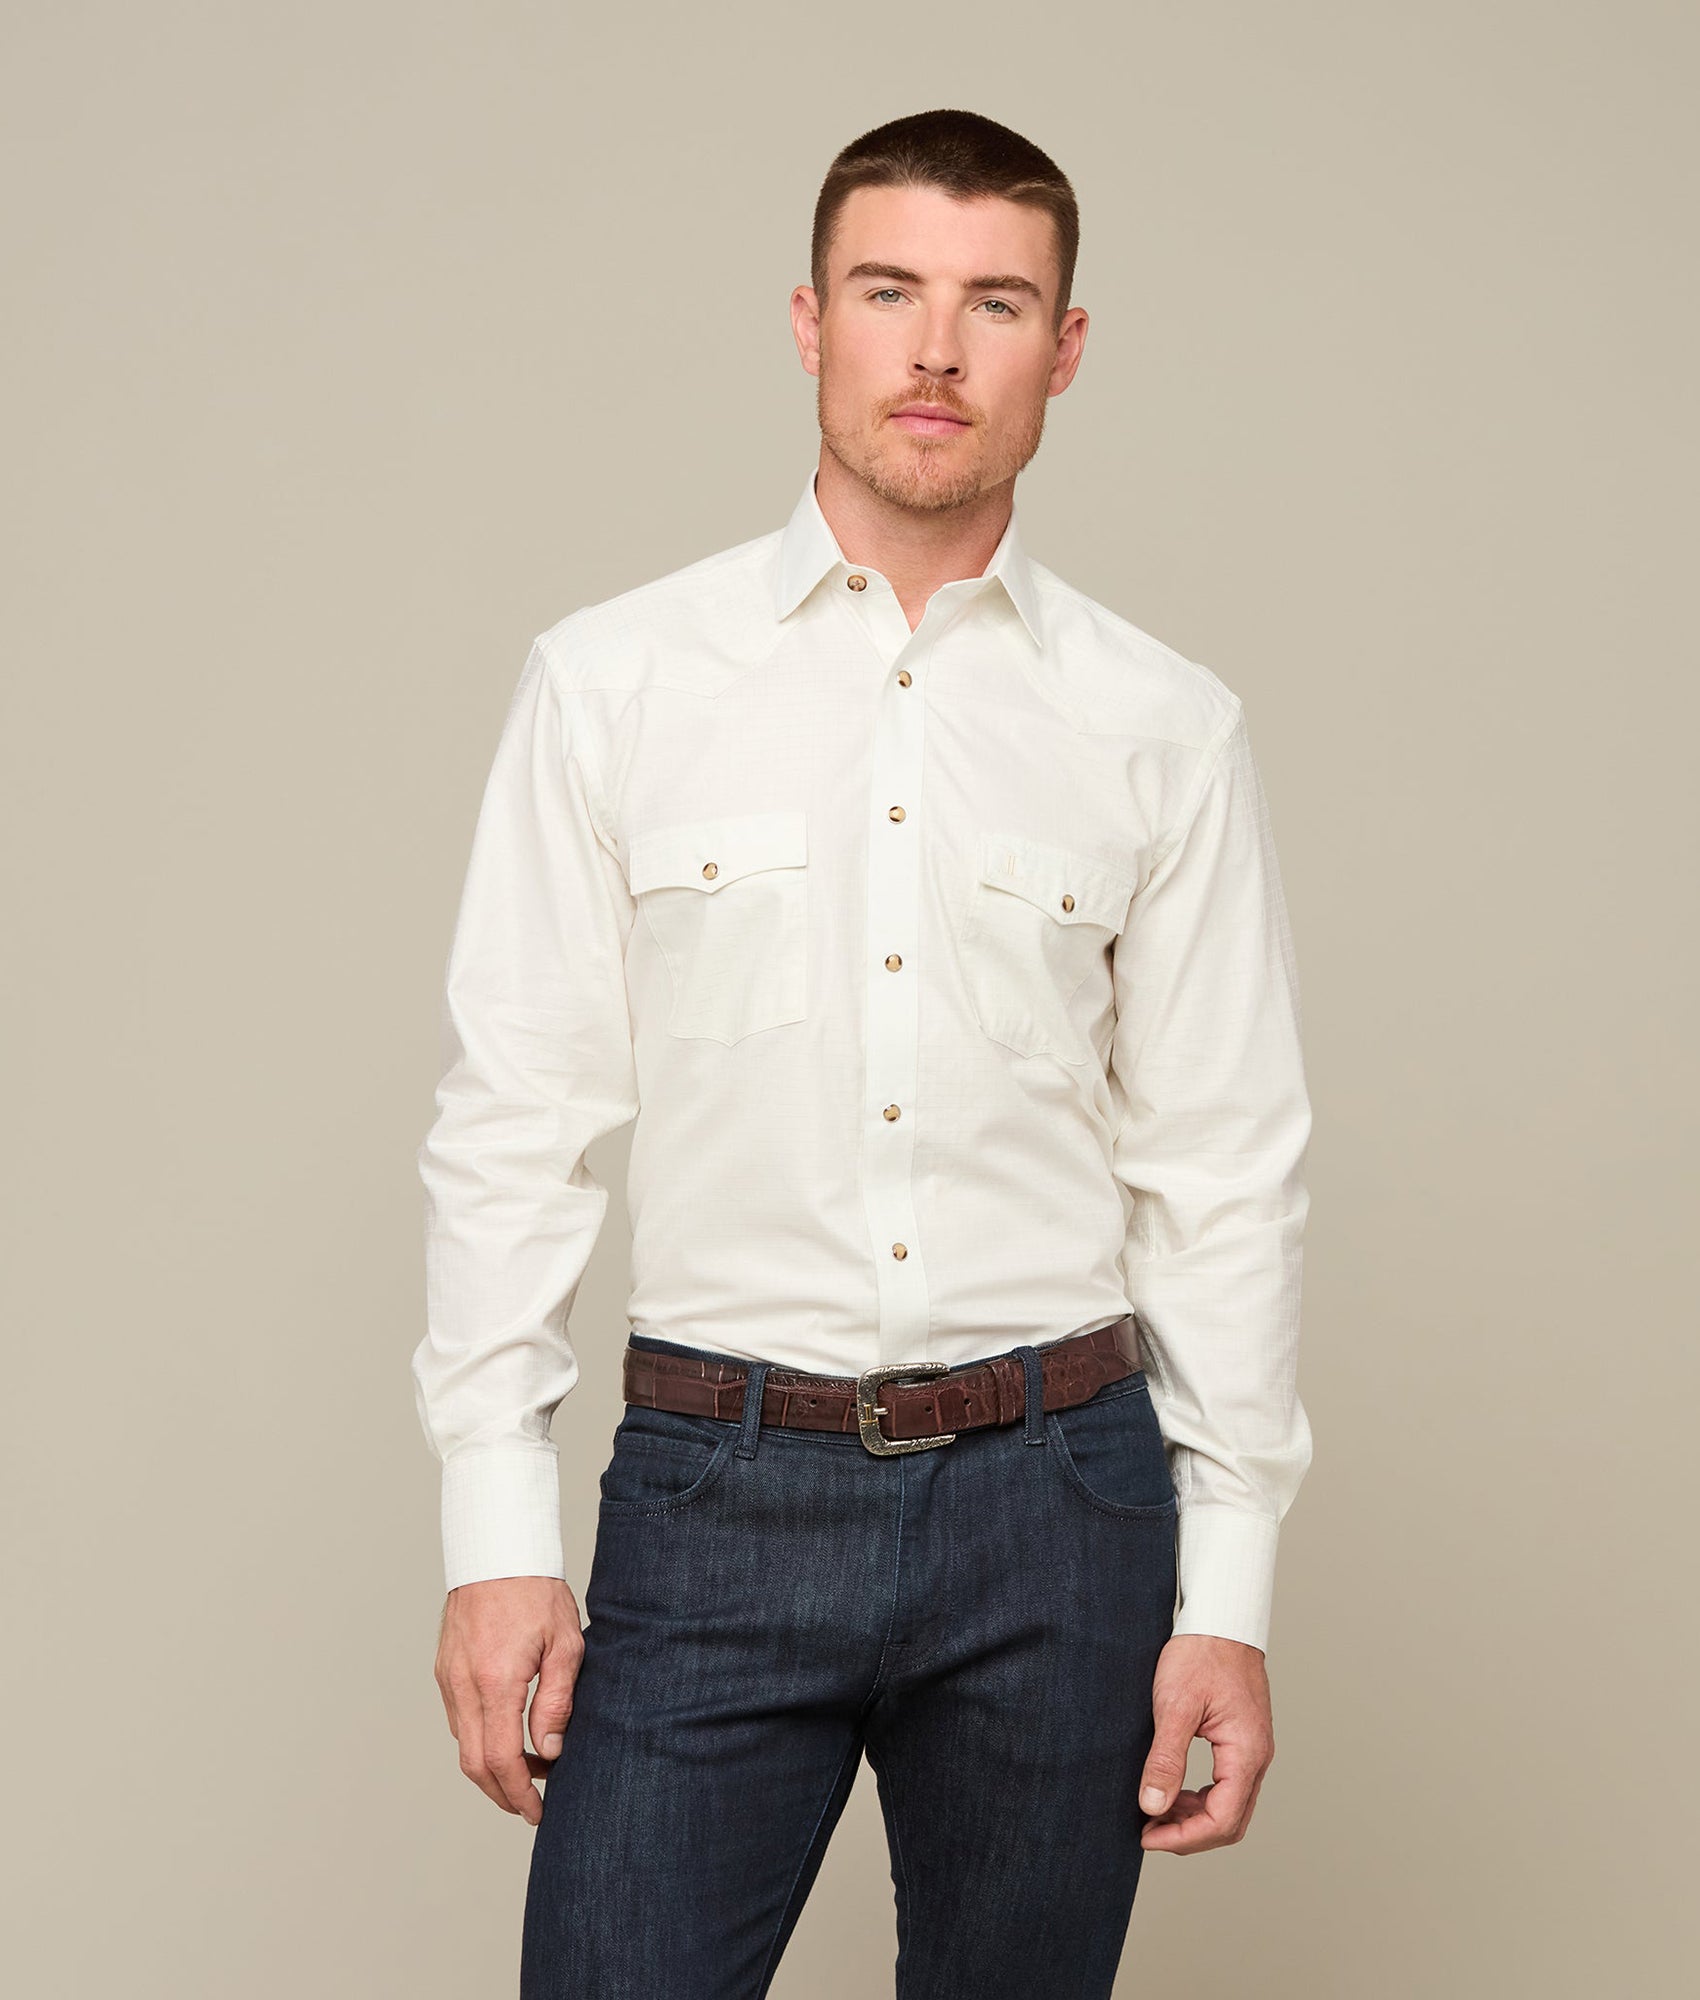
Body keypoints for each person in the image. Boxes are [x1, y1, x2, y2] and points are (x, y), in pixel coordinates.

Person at [412, 106, 1314, 2000]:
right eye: (890, 290)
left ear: (1065, 349)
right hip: (717, 1490)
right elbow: (516, 1124)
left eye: (997, 304)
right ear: (809, 320)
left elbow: (1224, 1167)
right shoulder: (615, 682)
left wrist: (1225, 1594)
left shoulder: (1163, 724)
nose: (937, 349)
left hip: (1061, 1511)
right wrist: (494, 1535)